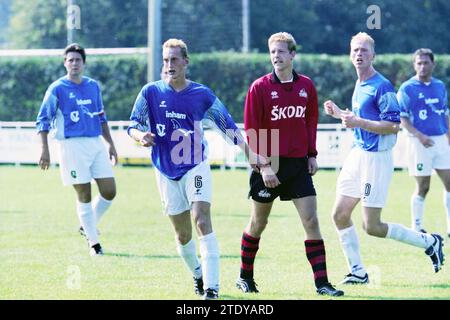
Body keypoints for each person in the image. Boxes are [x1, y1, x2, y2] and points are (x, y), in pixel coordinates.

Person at [127, 38, 261, 300]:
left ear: (186, 62)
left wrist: (249, 153)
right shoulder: (150, 92)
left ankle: (212, 289)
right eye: (165, 60)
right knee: (182, 234)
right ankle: (198, 275)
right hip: (165, 169)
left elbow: (227, 126)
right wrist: (139, 136)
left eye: (174, 59)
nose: (169, 65)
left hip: (195, 165)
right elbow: (133, 124)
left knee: (201, 219)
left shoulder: (202, 94)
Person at [323, 33, 445, 284]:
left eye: (364, 51)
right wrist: (340, 114)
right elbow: (360, 120)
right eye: (355, 50)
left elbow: (392, 126)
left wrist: (358, 121)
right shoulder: (359, 84)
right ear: (350, 54)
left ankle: (429, 242)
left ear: (373, 55)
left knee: (373, 227)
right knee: (339, 214)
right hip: (358, 154)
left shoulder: (382, 86)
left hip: (376, 160)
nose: (359, 54)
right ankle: (358, 272)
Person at [236, 32, 343, 297]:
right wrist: (265, 167)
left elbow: (310, 121)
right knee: (258, 223)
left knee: (311, 220)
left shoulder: (306, 85)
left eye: (281, 51)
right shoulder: (259, 87)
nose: (276, 56)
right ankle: (244, 277)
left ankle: (323, 284)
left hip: (297, 165)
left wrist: (312, 154)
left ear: (293, 55)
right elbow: (252, 131)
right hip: (268, 164)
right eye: (272, 51)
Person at [36, 43, 117, 256]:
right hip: (71, 146)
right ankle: (94, 243)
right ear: (65, 63)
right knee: (84, 194)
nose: (74, 63)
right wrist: (45, 149)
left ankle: (87, 224)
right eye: (70, 60)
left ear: (84, 63)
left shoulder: (93, 86)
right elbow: (43, 119)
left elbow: (101, 116)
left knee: (109, 190)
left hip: (95, 143)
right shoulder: (57, 88)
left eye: (78, 60)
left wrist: (111, 144)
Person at [397, 48, 450, 236]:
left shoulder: (440, 86)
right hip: (419, 143)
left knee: (449, 183)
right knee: (423, 186)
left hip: (441, 141)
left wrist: (449, 136)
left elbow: (445, 113)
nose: (422, 66)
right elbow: (402, 118)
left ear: (433, 64)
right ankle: (416, 226)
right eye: (418, 63)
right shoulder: (407, 88)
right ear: (414, 65)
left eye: (425, 62)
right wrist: (420, 136)